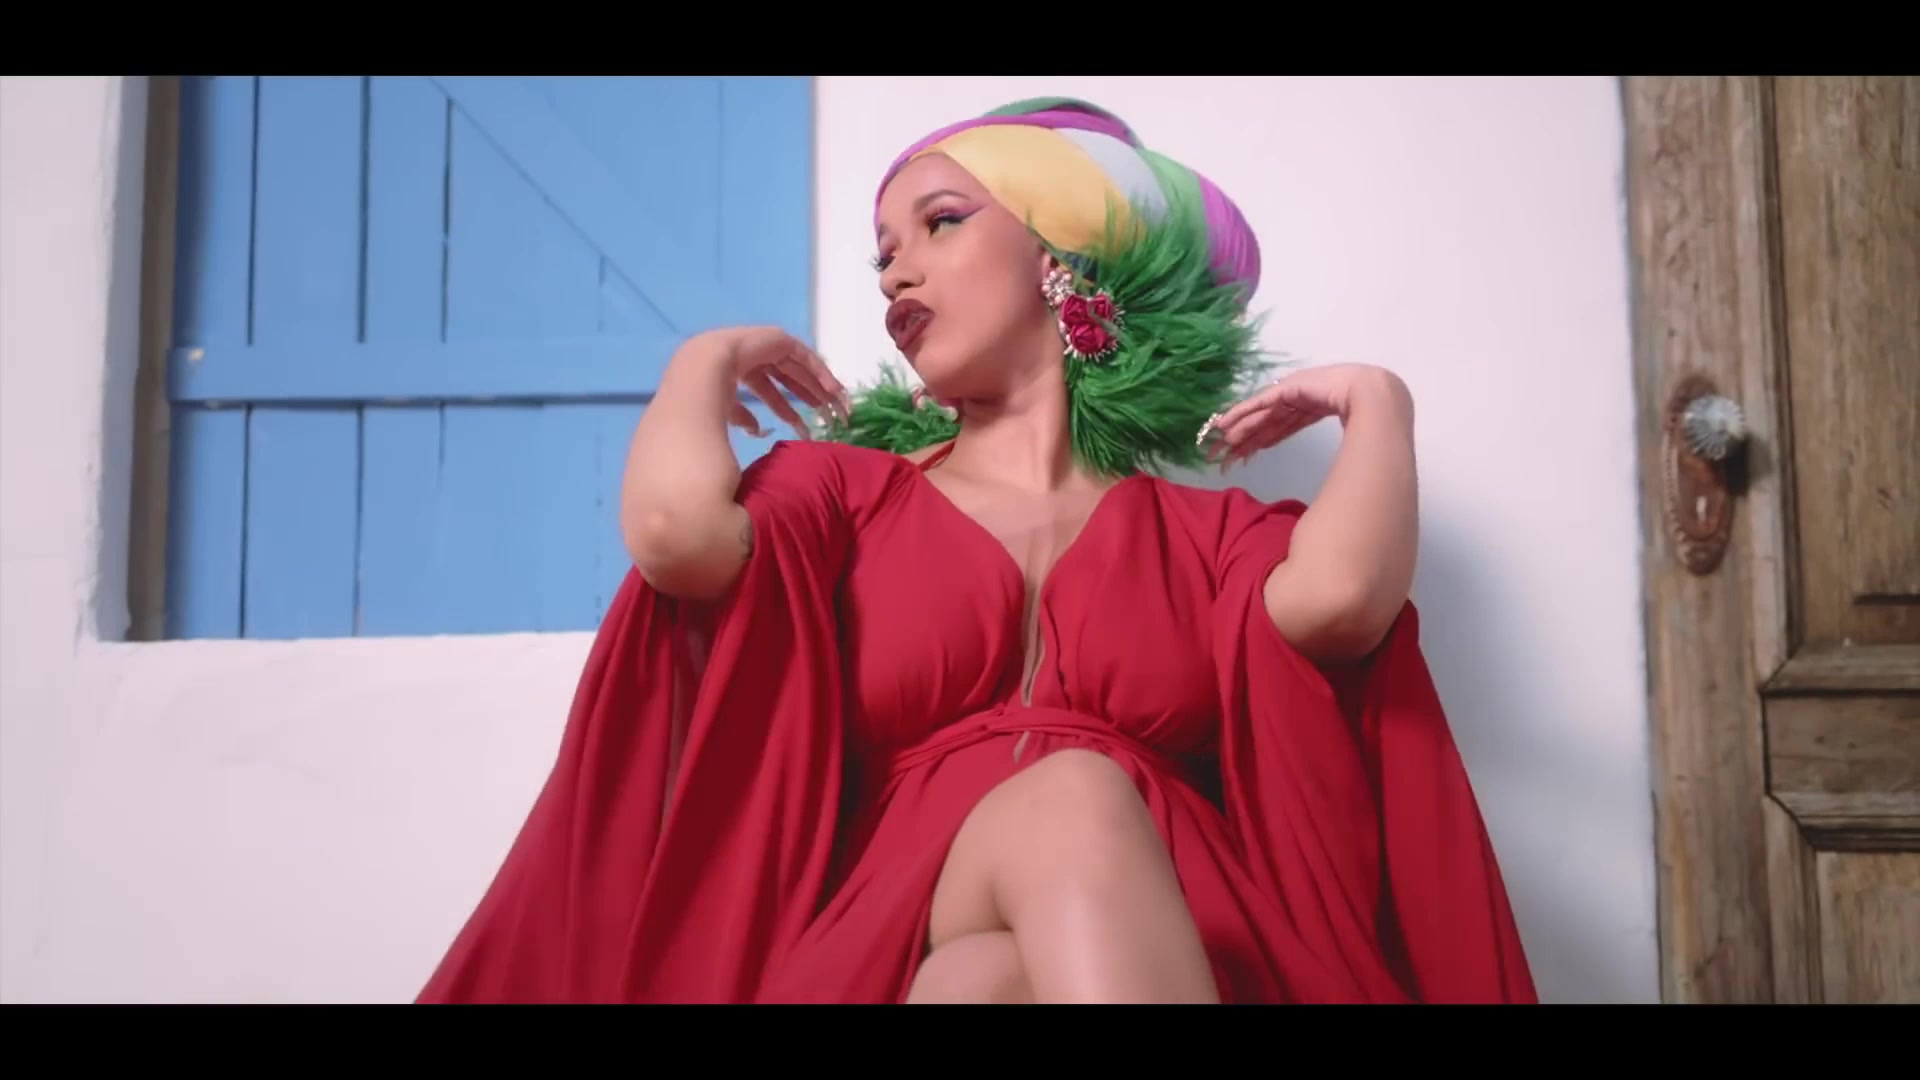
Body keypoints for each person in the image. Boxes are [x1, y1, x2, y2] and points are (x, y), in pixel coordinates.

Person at [413, 96, 1538, 1005]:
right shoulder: (845, 496)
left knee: (981, 982)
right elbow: (677, 539)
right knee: (1076, 797)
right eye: (884, 255)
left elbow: (1343, 603)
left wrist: (1379, 403)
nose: (896, 273)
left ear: (1064, 256)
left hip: (1156, 928)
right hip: (895, 914)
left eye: (941, 223)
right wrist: (701, 362)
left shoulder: (1207, 539)